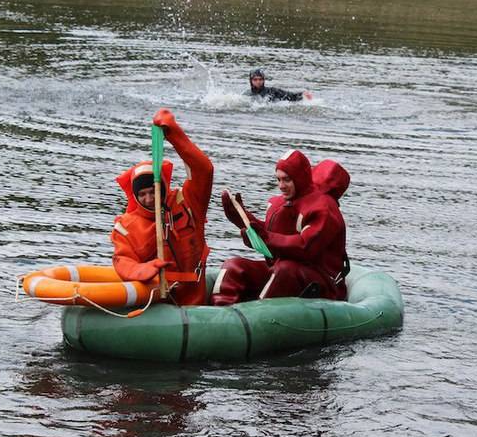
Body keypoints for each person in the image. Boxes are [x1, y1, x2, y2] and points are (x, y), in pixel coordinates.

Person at [211, 149, 349, 306]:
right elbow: (273, 239)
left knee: (285, 270)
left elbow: (305, 246)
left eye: (287, 180)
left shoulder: (324, 209)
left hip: (322, 281)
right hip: (280, 270)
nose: (281, 186)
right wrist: (244, 221)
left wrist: (266, 237)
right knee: (233, 265)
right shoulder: (283, 204)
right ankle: (221, 313)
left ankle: (256, 316)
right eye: (278, 180)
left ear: (300, 179)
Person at [111, 108, 214, 306]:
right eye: (142, 194)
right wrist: (145, 270)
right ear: (135, 195)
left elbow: (204, 170)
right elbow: (122, 261)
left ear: (162, 187)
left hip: (195, 303)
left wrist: (174, 134)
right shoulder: (127, 226)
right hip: (156, 305)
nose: (149, 199)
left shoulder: (188, 202)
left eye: (152, 191)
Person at [245, 68, 313, 102]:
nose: (258, 82)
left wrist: (303, 94)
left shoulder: (272, 91)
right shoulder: (247, 94)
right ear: (251, 81)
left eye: (260, 79)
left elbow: (291, 96)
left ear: (263, 80)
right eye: (255, 80)